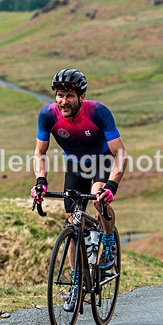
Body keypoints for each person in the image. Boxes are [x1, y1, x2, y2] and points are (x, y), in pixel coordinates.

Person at [31, 68, 127, 311]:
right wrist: (40, 182)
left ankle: (108, 239)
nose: (64, 101)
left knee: (98, 199)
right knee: (73, 222)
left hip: (101, 161)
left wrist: (112, 185)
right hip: (74, 165)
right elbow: (39, 153)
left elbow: (120, 153)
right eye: (60, 95)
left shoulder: (97, 112)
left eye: (70, 96)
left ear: (81, 97)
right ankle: (76, 284)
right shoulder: (48, 115)